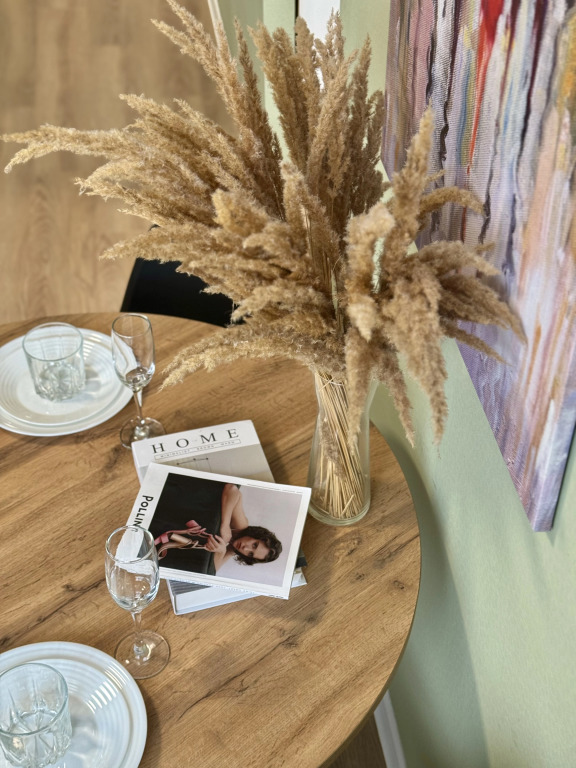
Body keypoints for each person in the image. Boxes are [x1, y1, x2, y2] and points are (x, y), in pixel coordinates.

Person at [154, 482, 282, 571]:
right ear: (256, 536)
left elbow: (211, 572)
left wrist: (221, 552)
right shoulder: (242, 526)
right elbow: (232, 489)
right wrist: (225, 525)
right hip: (179, 501)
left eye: (250, 554)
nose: (245, 548)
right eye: (254, 545)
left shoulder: (233, 549)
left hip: (168, 527)